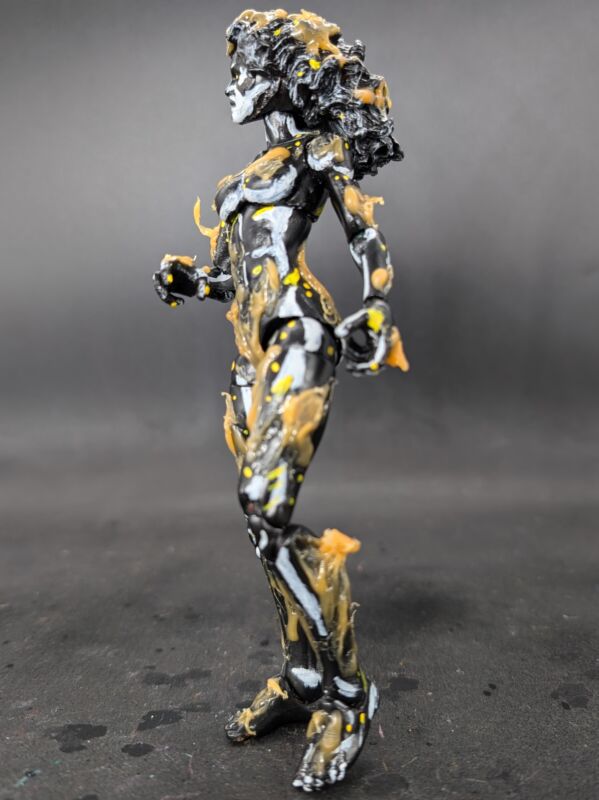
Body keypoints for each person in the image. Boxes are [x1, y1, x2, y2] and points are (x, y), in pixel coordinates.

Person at [153, 8, 408, 792]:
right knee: (259, 530)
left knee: (264, 508)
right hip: (251, 353)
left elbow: (365, 237)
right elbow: (240, 278)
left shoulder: (314, 153)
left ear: (288, 74)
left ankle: (350, 697)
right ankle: (303, 680)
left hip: (298, 333)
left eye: (246, 67)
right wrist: (194, 281)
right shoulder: (239, 178)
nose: (232, 82)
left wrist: (375, 307)